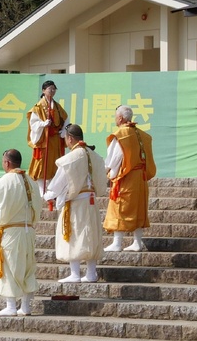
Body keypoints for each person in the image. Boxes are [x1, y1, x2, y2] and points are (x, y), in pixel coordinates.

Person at [42, 124, 108, 283]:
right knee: (90, 234)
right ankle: (91, 273)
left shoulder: (72, 158)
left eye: (65, 138)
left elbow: (60, 181)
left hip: (77, 201)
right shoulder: (94, 155)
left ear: (70, 138)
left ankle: (75, 273)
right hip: (90, 200)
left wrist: (49, 194)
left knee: (74, 233)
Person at [0, 148, 42, 317]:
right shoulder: (31, 181)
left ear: (7, 163)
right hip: (28, 230)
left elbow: (1, 207)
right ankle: (26, 306)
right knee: (27, 266)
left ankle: (11, 306)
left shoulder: (5, 181)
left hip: (11, 231)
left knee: (8, 266)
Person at [103, 105, 157, 252]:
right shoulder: (142, 135)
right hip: (141, 177)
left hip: (127, 176)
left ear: (120, 118)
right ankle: (137, 242)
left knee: (120, 207)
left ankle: (117, 243)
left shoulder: (122, 134)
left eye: (115, 116)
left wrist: (109, 173)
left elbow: (114, 158)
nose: (115, 118)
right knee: (139, 207)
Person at [26, 80, 68, 193]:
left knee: (55, 163)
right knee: (42, 165)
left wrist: (63, 130)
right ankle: (41, 190)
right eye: (50, 88)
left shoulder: (57, 106)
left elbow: (65, 119)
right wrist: (43, 124)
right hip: (44, 140)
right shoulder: (38, 107)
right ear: (43, 90)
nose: (52, 91)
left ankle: (52, 190)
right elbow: (33, 123)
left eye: (54, 88)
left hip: (55, 140)